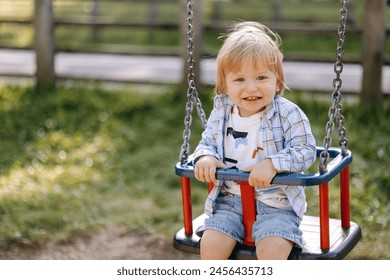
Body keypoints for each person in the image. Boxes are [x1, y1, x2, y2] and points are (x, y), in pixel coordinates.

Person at [192, 21, 316, 260]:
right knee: (211, 246)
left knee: (272, 251)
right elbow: (207, 142)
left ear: (277, 81)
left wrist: (273, 164)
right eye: (239, 80)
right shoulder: (222, 112)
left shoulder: (288, 113)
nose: (251, 88)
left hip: (277, 204)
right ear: (224, 85)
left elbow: (307, 150)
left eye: (261, 77)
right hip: (229, 200)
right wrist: (206, 156)